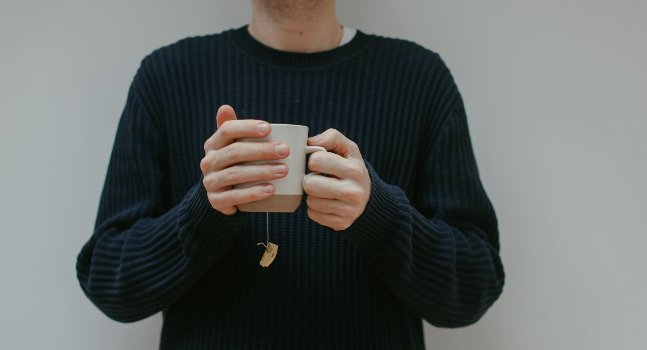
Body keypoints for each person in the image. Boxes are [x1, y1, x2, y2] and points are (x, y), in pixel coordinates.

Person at [76, 0, 505, 348]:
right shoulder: (167, 77)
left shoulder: (420, 79)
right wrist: (204, 213)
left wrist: (380, 216)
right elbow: (109, 285)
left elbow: (474, 289)